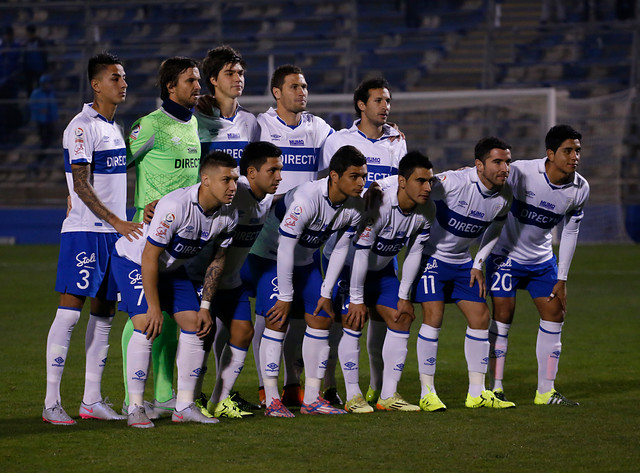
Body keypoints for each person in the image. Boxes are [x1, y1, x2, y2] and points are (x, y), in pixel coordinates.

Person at [43, 52, 143, 425]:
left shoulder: (114, 128)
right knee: (69, 313)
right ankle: (51, 401)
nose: (123, 83)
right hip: (86, 232)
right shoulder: (82, 126)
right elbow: (81, 184)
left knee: (104, 315)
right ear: (96, 84)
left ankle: (91, 399)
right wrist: (117, 221)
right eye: (115, 78)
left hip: (112, 236)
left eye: (124, 77)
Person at [111, 151, 238, 428]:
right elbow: (148, 256)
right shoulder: (175, 206)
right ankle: (134, 407)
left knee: (195, 324)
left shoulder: (229, 214)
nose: (233, 187)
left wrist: (205, 307)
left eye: (235, 180)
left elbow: (218, 260)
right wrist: (155, 308)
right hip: (134, 261)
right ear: (205, 180)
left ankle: (184, 406)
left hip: (170, 268)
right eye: (226, 179)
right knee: (147, 325)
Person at [249, 145, 366, 417]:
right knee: (277, 319)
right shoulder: (306, 198)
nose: (361, 183)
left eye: (363, 176)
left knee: (322, 317)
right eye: (354, 176)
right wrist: (286, 296)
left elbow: (339, 248)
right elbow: (285, 247)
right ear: (335, 176)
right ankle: (272, 399)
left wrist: (326, 291)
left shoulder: (356, 206)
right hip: (267, 258)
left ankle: (312, 399)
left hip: (305, 263)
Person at [121, 56, 202, 419]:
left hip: (182, 235)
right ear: (170, 87)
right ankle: (129, 399)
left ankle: (165, 393)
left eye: (198, 80)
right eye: (190, 81)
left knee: (172, 317)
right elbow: (113, 165)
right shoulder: (149, 125)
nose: (197, 86)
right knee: (140, 318)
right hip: (146, 234)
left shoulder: (194, 123)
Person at [319, 77, 407, 404]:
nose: (385, 107)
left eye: (388, 101)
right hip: (346, 240)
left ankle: (381, 389)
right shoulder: (339, 141)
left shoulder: (398, 141)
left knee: (384, 318)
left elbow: (401, 185)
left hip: (385, 242)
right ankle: (333, 388)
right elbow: (326, 185)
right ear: (361, 105)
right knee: (343, 321)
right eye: (379, 101)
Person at [487, 124, 589, 406]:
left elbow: (569, 231)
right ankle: (495, 388)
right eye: (568, 151)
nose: (574, 157)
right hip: (504, 257)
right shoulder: (521, 172)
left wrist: (563, 277)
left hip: (541, 261)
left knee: (555, 314)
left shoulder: (579, 189)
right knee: (503, 316)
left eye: (577, 151)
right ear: (550, 153)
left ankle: (545, 391)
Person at [413, 137, 516, 410]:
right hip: (431, 258)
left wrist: (478, 263)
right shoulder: (455, 183)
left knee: (481, 317)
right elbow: (420, 184)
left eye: (507, 161)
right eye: (497, 161)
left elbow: (495, 229)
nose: (504, 167)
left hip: (461, 263)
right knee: (433, 317)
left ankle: (477, 393)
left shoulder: (504, 197)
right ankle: (427, 392)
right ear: (479, 165)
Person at [253, 64, 334, 407]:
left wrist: (386, 131)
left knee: (300, 313)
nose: (302, 92)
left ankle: (292, 383)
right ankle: (263, 385)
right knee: (268, 312)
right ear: (277, 92)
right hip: (265, 235)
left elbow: (346, 148)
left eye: (304, 86)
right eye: (294, 86)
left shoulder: (317, 128)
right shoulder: (260, 125)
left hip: (306, 236)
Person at [183, 141, 283, 418]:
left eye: (280, 170)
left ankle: (219, 401)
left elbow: (294, 196)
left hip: (232, 281)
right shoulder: (231, 193)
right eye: (272, 170)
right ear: (252, 173)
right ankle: (193, 398)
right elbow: (195, 195)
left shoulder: (266, 198)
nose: (279, 176)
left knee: (243, 332)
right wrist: (156, 205)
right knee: (203, 336)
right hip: (204, 278)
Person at [344, 151, 434, 413]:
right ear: (402, 182)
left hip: (382, 271)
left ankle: (388, 395)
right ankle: (352, 395)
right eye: (420, 181)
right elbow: (360, 253)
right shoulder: (379, 204)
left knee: (402, 316)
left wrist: (405, 296)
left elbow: (414, 252)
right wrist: (357, 299)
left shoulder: (428, 209)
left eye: (430, 181)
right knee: (353, 320)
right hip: (349, 269)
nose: (427, 188)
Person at [196, 45, 259, 160]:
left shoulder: (250, 121)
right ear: (213, 80)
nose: (238, 79)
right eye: (230, 74)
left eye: (240, 73)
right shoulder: (197, 119)